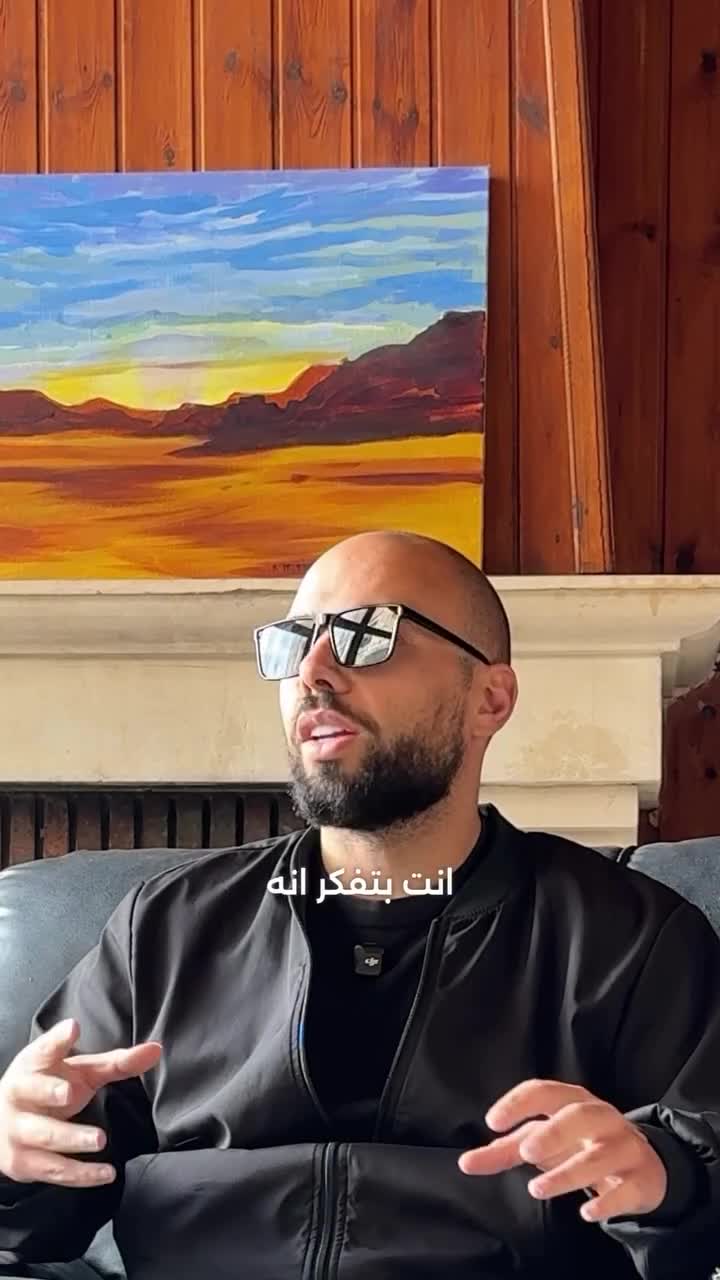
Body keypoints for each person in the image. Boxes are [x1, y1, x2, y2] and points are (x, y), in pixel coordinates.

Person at [0, 529, 719, 1280]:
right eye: (294, 642)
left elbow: (701, 1180)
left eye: (366, 634)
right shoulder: (166, 928)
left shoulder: (629, 938)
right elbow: (43, 1208)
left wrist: (669, 1179)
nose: (312, 671)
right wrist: (12, 1160)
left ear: (490, 699)